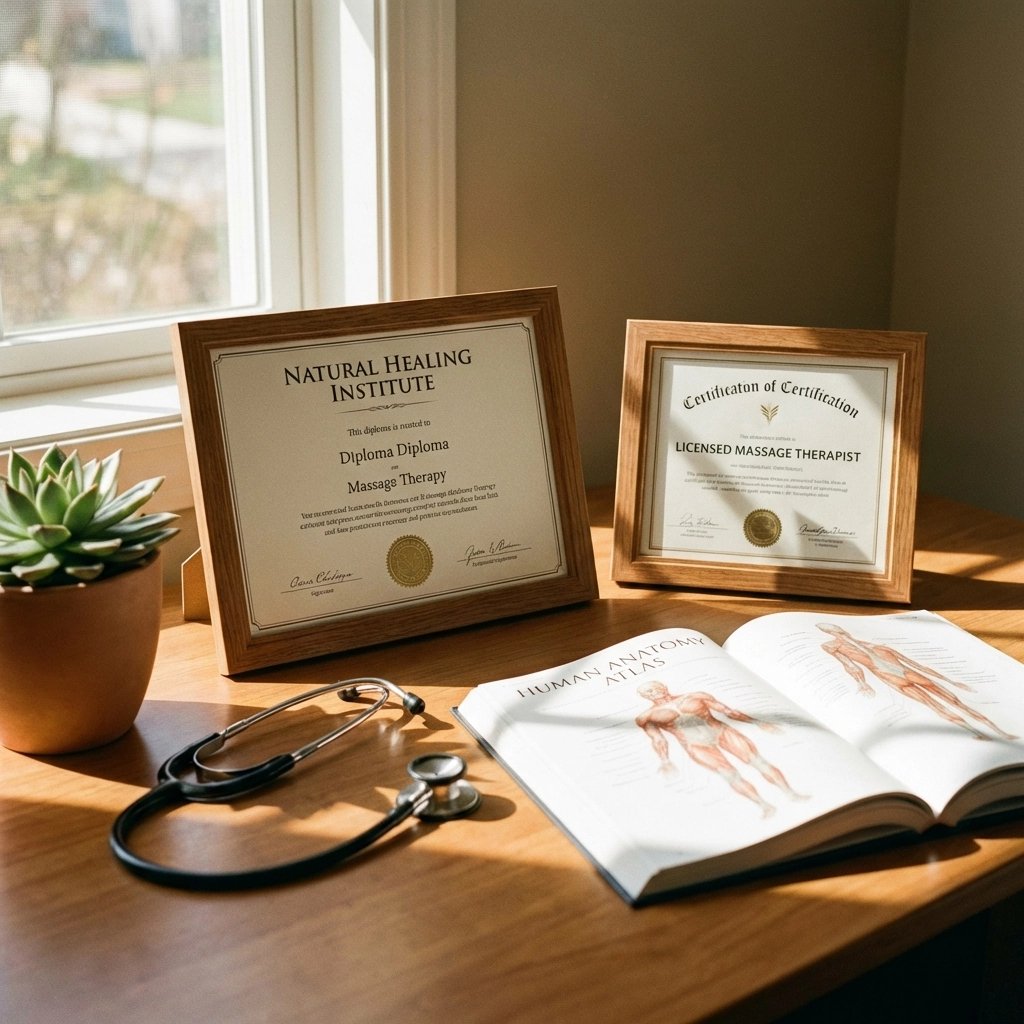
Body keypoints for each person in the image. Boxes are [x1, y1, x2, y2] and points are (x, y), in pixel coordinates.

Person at [817, 623, 1016, 741]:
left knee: (939, 705)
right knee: (951, 703)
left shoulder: (841, 647)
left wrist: (862, 683)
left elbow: (852, 666)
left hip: (894, 675)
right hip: (901, 674)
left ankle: (984, 733)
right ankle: (996, 733)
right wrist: (952, 682)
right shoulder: (878, 648)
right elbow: (918, 667)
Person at [635, 682, 807, 817]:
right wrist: (665, 761)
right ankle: (764, 805)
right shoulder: (647, 716)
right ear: (643, 697)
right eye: (648, 692)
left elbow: (727, 711)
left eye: (656, 688)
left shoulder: (695, 696)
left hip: (722, 732)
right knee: (730, 775)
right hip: (695, 744)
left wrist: (758, 722)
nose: (654, 692)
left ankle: (791, 794)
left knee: (759, 762)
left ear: (664, 687)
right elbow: (657, 739)